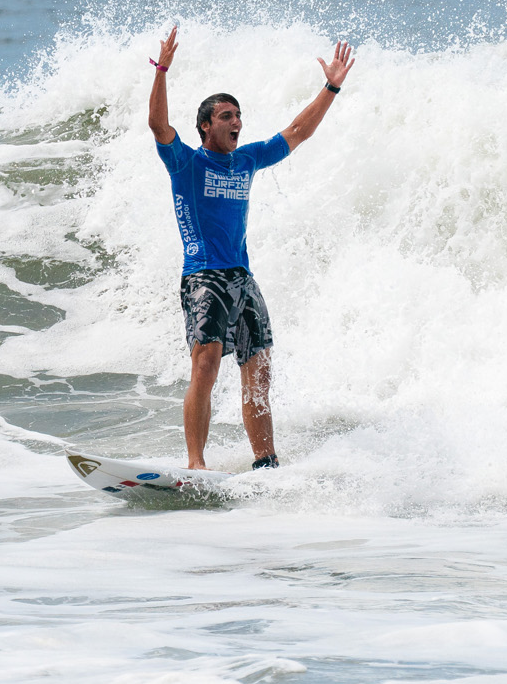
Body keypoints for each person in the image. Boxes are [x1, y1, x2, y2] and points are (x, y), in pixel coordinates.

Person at [147, 26, 355, 469]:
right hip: (204, 276)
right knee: (206, 367)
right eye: (226, 116)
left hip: (243, 278)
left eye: (238, 115)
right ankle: (195, 465)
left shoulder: (247, 160)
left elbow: (299, 131)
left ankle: (266, 462)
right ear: (205, 125)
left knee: (258, 370)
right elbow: (158, 125)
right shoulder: (186, 162)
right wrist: (162, 69)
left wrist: (331, 86)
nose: (236, 122)